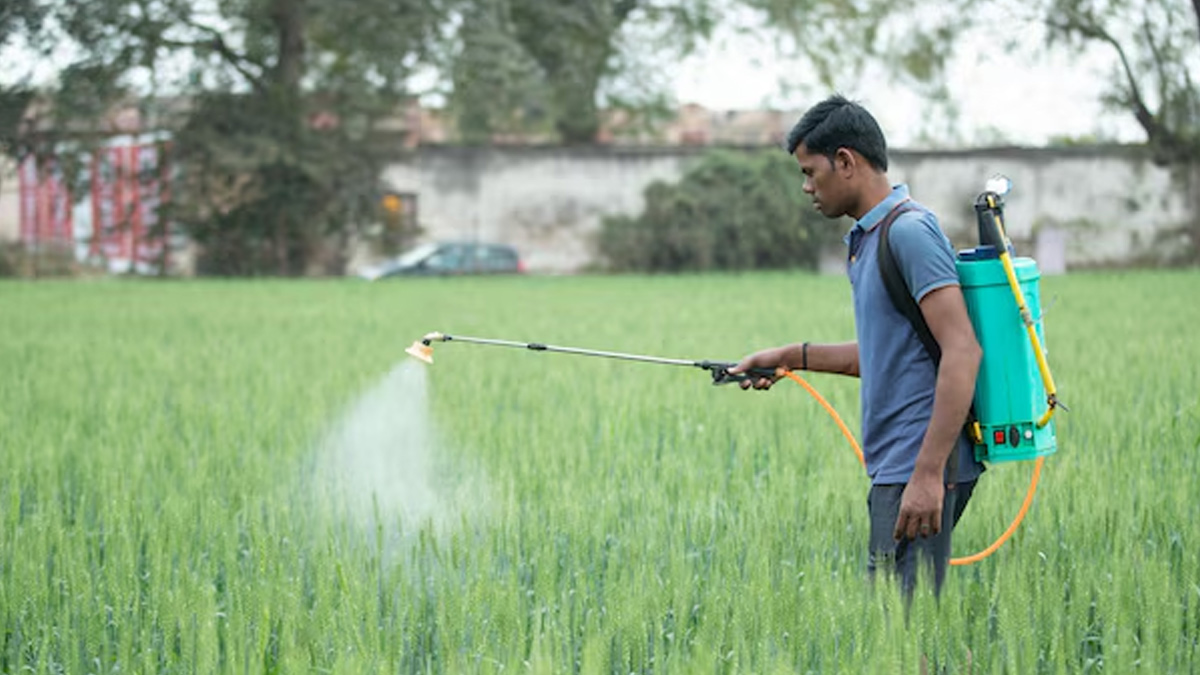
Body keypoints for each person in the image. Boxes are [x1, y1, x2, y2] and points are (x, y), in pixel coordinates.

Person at [730, 94, 984, 594]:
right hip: (899, 463)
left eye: (810, 172)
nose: (806, 187)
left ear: (845, 161)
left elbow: (962, 350)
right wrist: (788, 357)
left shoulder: (909, 233)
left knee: (897, 630)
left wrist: (928, 474)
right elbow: (887, 357)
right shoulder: (868, 240)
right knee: (906, 625)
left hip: (916, 464)